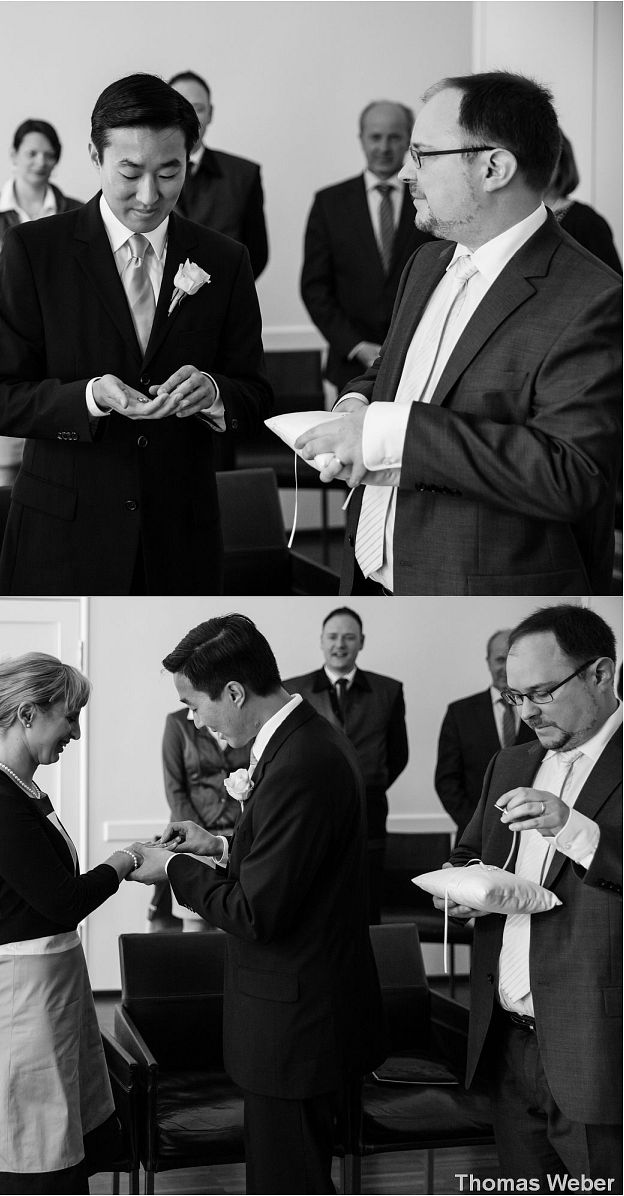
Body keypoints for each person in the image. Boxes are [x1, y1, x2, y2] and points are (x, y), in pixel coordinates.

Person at [297, 71, 622, 596]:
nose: (405, 172)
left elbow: (572, 475)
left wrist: (390, 433)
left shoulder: (594, 297)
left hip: (471, 589)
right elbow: (391, 371)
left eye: (422, 155)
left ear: (494, 167)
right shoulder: (428, 262)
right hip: (370, 574)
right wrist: (355, 407)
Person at [0, 73, 270, 595]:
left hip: (180, 535)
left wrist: (217, 394)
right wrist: (88, 398)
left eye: (169, 171)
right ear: (94, 155)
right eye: (129, 172)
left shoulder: (225, 259)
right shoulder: (32, 252)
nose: (149, 195)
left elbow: (256, 393)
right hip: (64, 533)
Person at [136, 613, 383, 1193]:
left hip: (295, 1023)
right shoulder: (303, 739)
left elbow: (256, 913)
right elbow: (293, 863)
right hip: (304, 1011)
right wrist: (220, 847)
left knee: (286, 1183)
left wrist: (175, 868)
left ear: (235, 692)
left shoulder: (300, 762)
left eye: (196, 705)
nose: (195, 720)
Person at [435, 605, 621, 1188]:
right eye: (515, 696)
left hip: (601, 1049)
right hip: (507, 1047)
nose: (528, 712)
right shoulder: (511, 761)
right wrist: (462, 890)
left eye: (541, 691)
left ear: (602, 674)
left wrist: (574, 828)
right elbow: (470, 854)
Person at [0, 652, 140, 1193]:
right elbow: (62, 902)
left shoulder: (21, 790)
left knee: (53, 1138)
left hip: (50, 993)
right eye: (70, 716)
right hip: (19, 1003)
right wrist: (126, 860)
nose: (75, 732)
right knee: (22, 1149)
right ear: (29, 714)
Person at [0, 119, 83, 489]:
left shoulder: (75, 211)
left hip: (60, 357)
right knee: (1, 467)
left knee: (57, 464)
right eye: (31, 153)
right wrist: (9, 345)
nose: (40, 161)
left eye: (49, 155)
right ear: (14, 155)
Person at [300, 100, 438, 391]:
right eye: (376, 137)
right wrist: (356, 346)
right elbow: (315, 288)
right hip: (350, 364)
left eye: (395, 137)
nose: (384, 147)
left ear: (409, 141)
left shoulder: (433, 200)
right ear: (361, 138)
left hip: (419, 361)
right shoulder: (329, 203)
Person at [283, 607, 408, 922]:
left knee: (365, 902)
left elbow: (398, 754)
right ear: (322, 642)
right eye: (333, 637)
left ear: (361, 642)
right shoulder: (293, 690)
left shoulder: (388, 690)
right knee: (316, 900)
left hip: (370, 809)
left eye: (349, 637)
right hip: (309, 811)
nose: (340, 644)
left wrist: (366, 784)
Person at [152, 705, 249, 928]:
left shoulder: (240, 719)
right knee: (196, 927)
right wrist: (198, 838)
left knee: (235, 922)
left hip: (237, 838)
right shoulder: (177, 723)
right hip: (192, 839)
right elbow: (174, 790)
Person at [168, 71, 269, 278]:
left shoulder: (244, 175)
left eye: (198, 109)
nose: (190, 118)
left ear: (211, 113)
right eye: (180, 109)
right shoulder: (142, 174)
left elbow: (257, 253)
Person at [436, 627, 527, 834]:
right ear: (488, 661)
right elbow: (447, 781)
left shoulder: (540, 709)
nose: (505, 668)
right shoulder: (459, 713)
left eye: (511, 660)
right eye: (499, 659)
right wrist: (475, 825)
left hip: (532, 833)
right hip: (474, 835)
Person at [545, 131, 622, 274]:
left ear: (562, 164)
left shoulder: (588, 222)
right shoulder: (516, 217)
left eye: (544, 159)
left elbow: (614, 288)